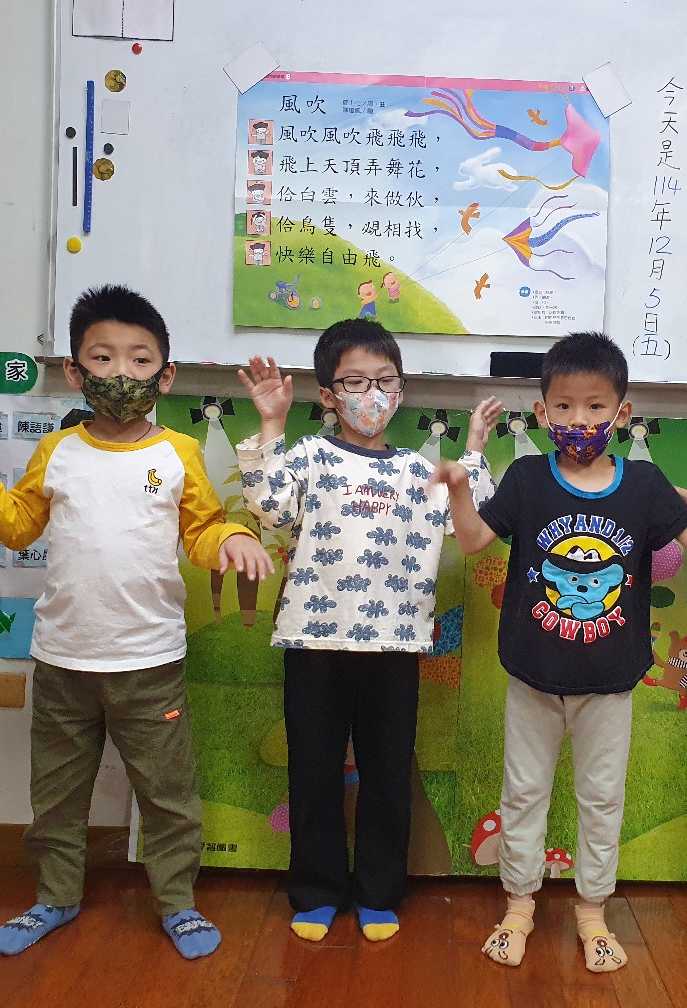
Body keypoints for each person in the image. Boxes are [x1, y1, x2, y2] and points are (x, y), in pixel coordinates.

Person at [0, 285, 274, 960]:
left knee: (167, 796)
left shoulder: (179, 453)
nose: (121, 372)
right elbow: (18, 526)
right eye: (102, 358)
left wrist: (232, 538)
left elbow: (200, 530)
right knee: (56, 795)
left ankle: (177, 903)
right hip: (62, 660)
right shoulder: (57, 451)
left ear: (166, 375)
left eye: (140, 359)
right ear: (75, 372)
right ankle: (55, 896)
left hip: (149, 664)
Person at [433, 330, 687, 973]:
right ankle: (518, 907)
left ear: (622, 413)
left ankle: (593, 912)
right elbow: (470, 541)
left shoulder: (646, 485)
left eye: (596, 405)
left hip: (610, 683)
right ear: (541, 412)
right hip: (533, 677)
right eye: (564, 405)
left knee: (602, 801)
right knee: (523, 794)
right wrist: (461, 489)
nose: (580, 419)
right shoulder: (526, 478)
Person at [236, 318, 503, 943]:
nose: (371, 395)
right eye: (355, 382)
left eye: (384, 381)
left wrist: (473, 450)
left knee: (386, 775)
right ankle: (317, 890)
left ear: (401, 390)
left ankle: (379, 892)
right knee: (314, 771)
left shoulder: (417, 471)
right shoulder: (311, 458)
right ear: (329, 395)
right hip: (315, 641)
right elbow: (269, 506)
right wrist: (272, 422)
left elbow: (470, 522)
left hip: (394, 645)